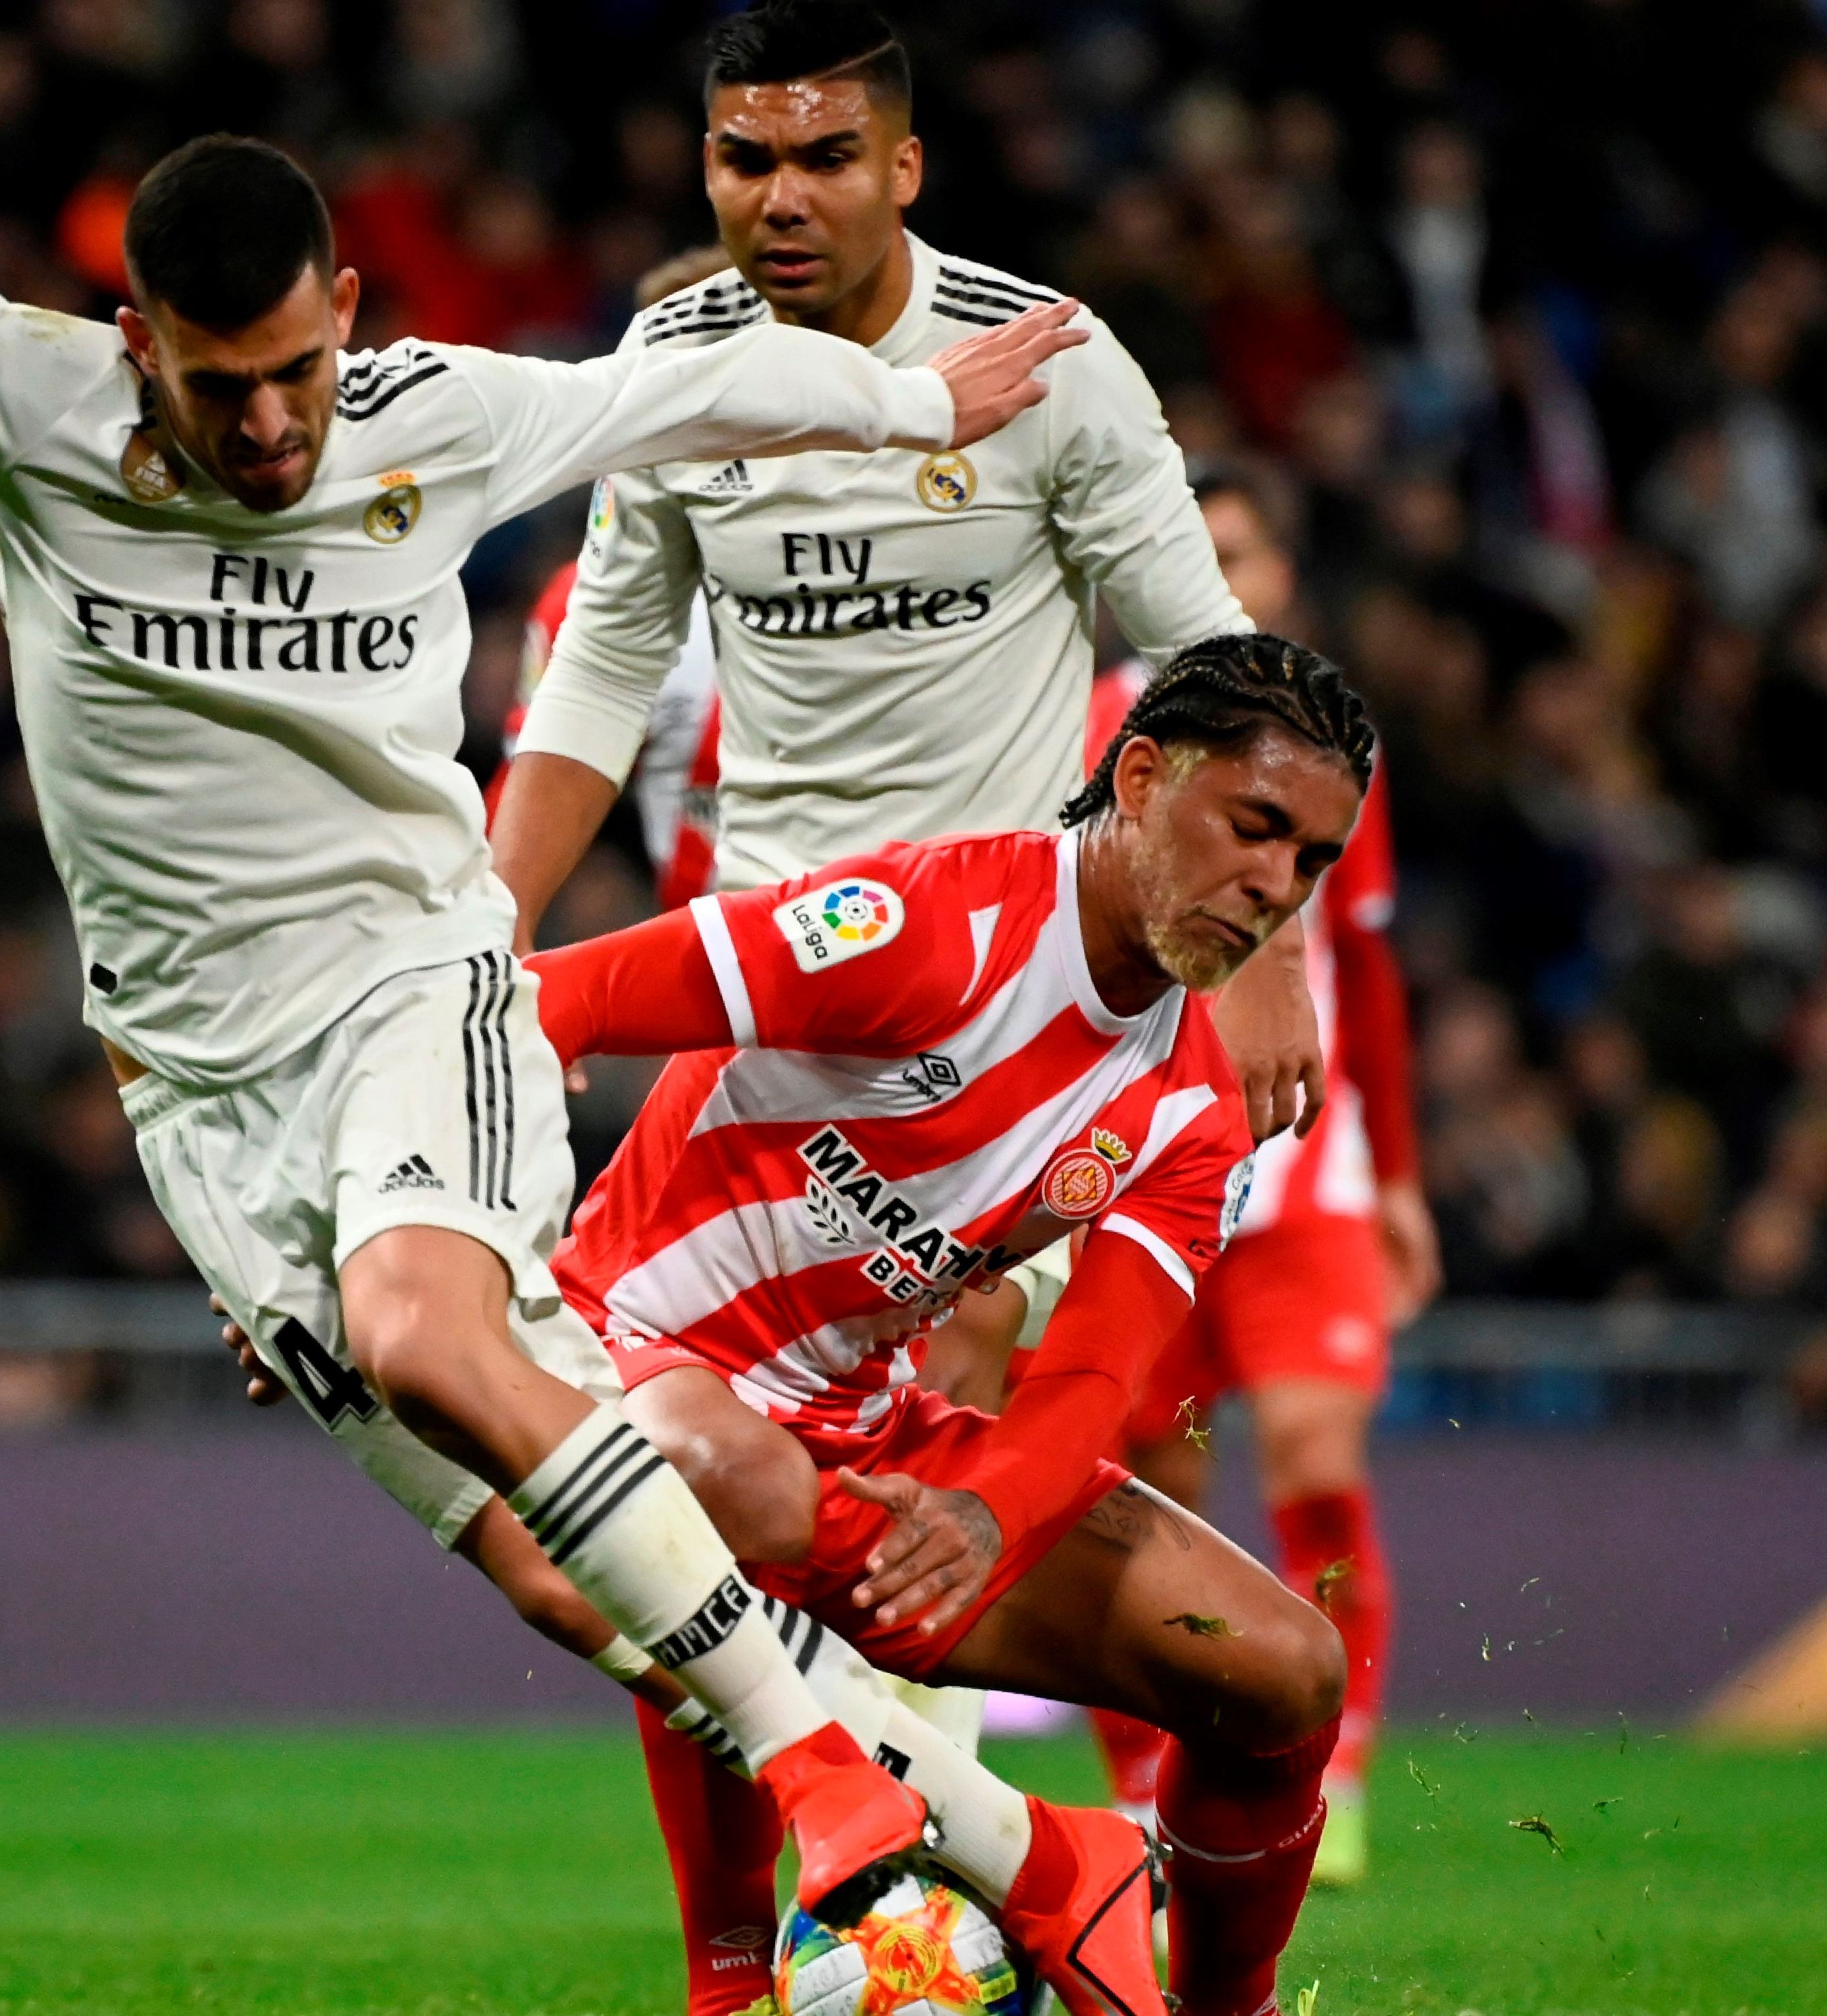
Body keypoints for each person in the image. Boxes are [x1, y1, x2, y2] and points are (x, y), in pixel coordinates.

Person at [0, 0, 1096, 1927]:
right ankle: (1047, 1857)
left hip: (419, 995)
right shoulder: (24, 398)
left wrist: (921, 404)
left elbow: (684, 395)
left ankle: (817, 1773)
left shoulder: (437, 415)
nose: (274, 426)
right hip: (206, 1105)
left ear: (349, 311)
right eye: (224, 392)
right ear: (137, 346)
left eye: (299, 371)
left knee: (427, 1336)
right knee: (562, 1576)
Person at [402, 636, 1375, 2016]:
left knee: (1284, 1668)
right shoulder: (930, 922)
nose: (1276, 884)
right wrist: (369, 1235)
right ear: (1144, 776)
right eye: (1256, 826)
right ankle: (739, 1969)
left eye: (1315, 861)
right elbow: (551, 1002)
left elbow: (1096, 1368)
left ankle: (1219, 2007)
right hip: (627, 1370)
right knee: (699, 1461)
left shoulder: (1190, 1110)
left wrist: (988, 1512)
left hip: (853, 1441)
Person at [488, 0, 1325, 1155]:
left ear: (904, 167)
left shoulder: (1050, 368)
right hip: (772, 983)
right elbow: (606, 662)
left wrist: (1274, 958)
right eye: (749, 159)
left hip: (1013, 997)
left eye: (829, 158)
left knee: (967, 1337)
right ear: (707, 168)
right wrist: (496, 926)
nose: (784, 198)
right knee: (637, 1332)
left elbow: (1221, 663)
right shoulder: (678, 365)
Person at [1075, 474, 1433, 1890]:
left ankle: (1329, 1773)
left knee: (1315, 1458)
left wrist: (1400, 1175)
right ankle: (1147, 1801)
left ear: (1284, 568)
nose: (1228, 575)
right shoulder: (1104, 724)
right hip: (1144, 1173)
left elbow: (1377, 962)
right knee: (1136, 1493)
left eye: (1248, 549)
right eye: (1202, 551)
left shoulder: (1344, 752)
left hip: (1309, 1173)